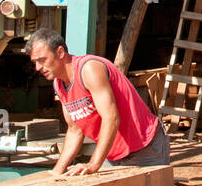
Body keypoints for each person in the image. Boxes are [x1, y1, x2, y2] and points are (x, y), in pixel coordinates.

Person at [25, 27, 169, 174]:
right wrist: (56, 172)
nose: (38, 67)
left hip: (145, 147)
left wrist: (93, 164)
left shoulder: (89, 69)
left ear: (60, 52)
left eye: (42, 60)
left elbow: (111, 118)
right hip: (113, 153)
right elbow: (75, 130)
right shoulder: (59, 84)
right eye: (34, 62)